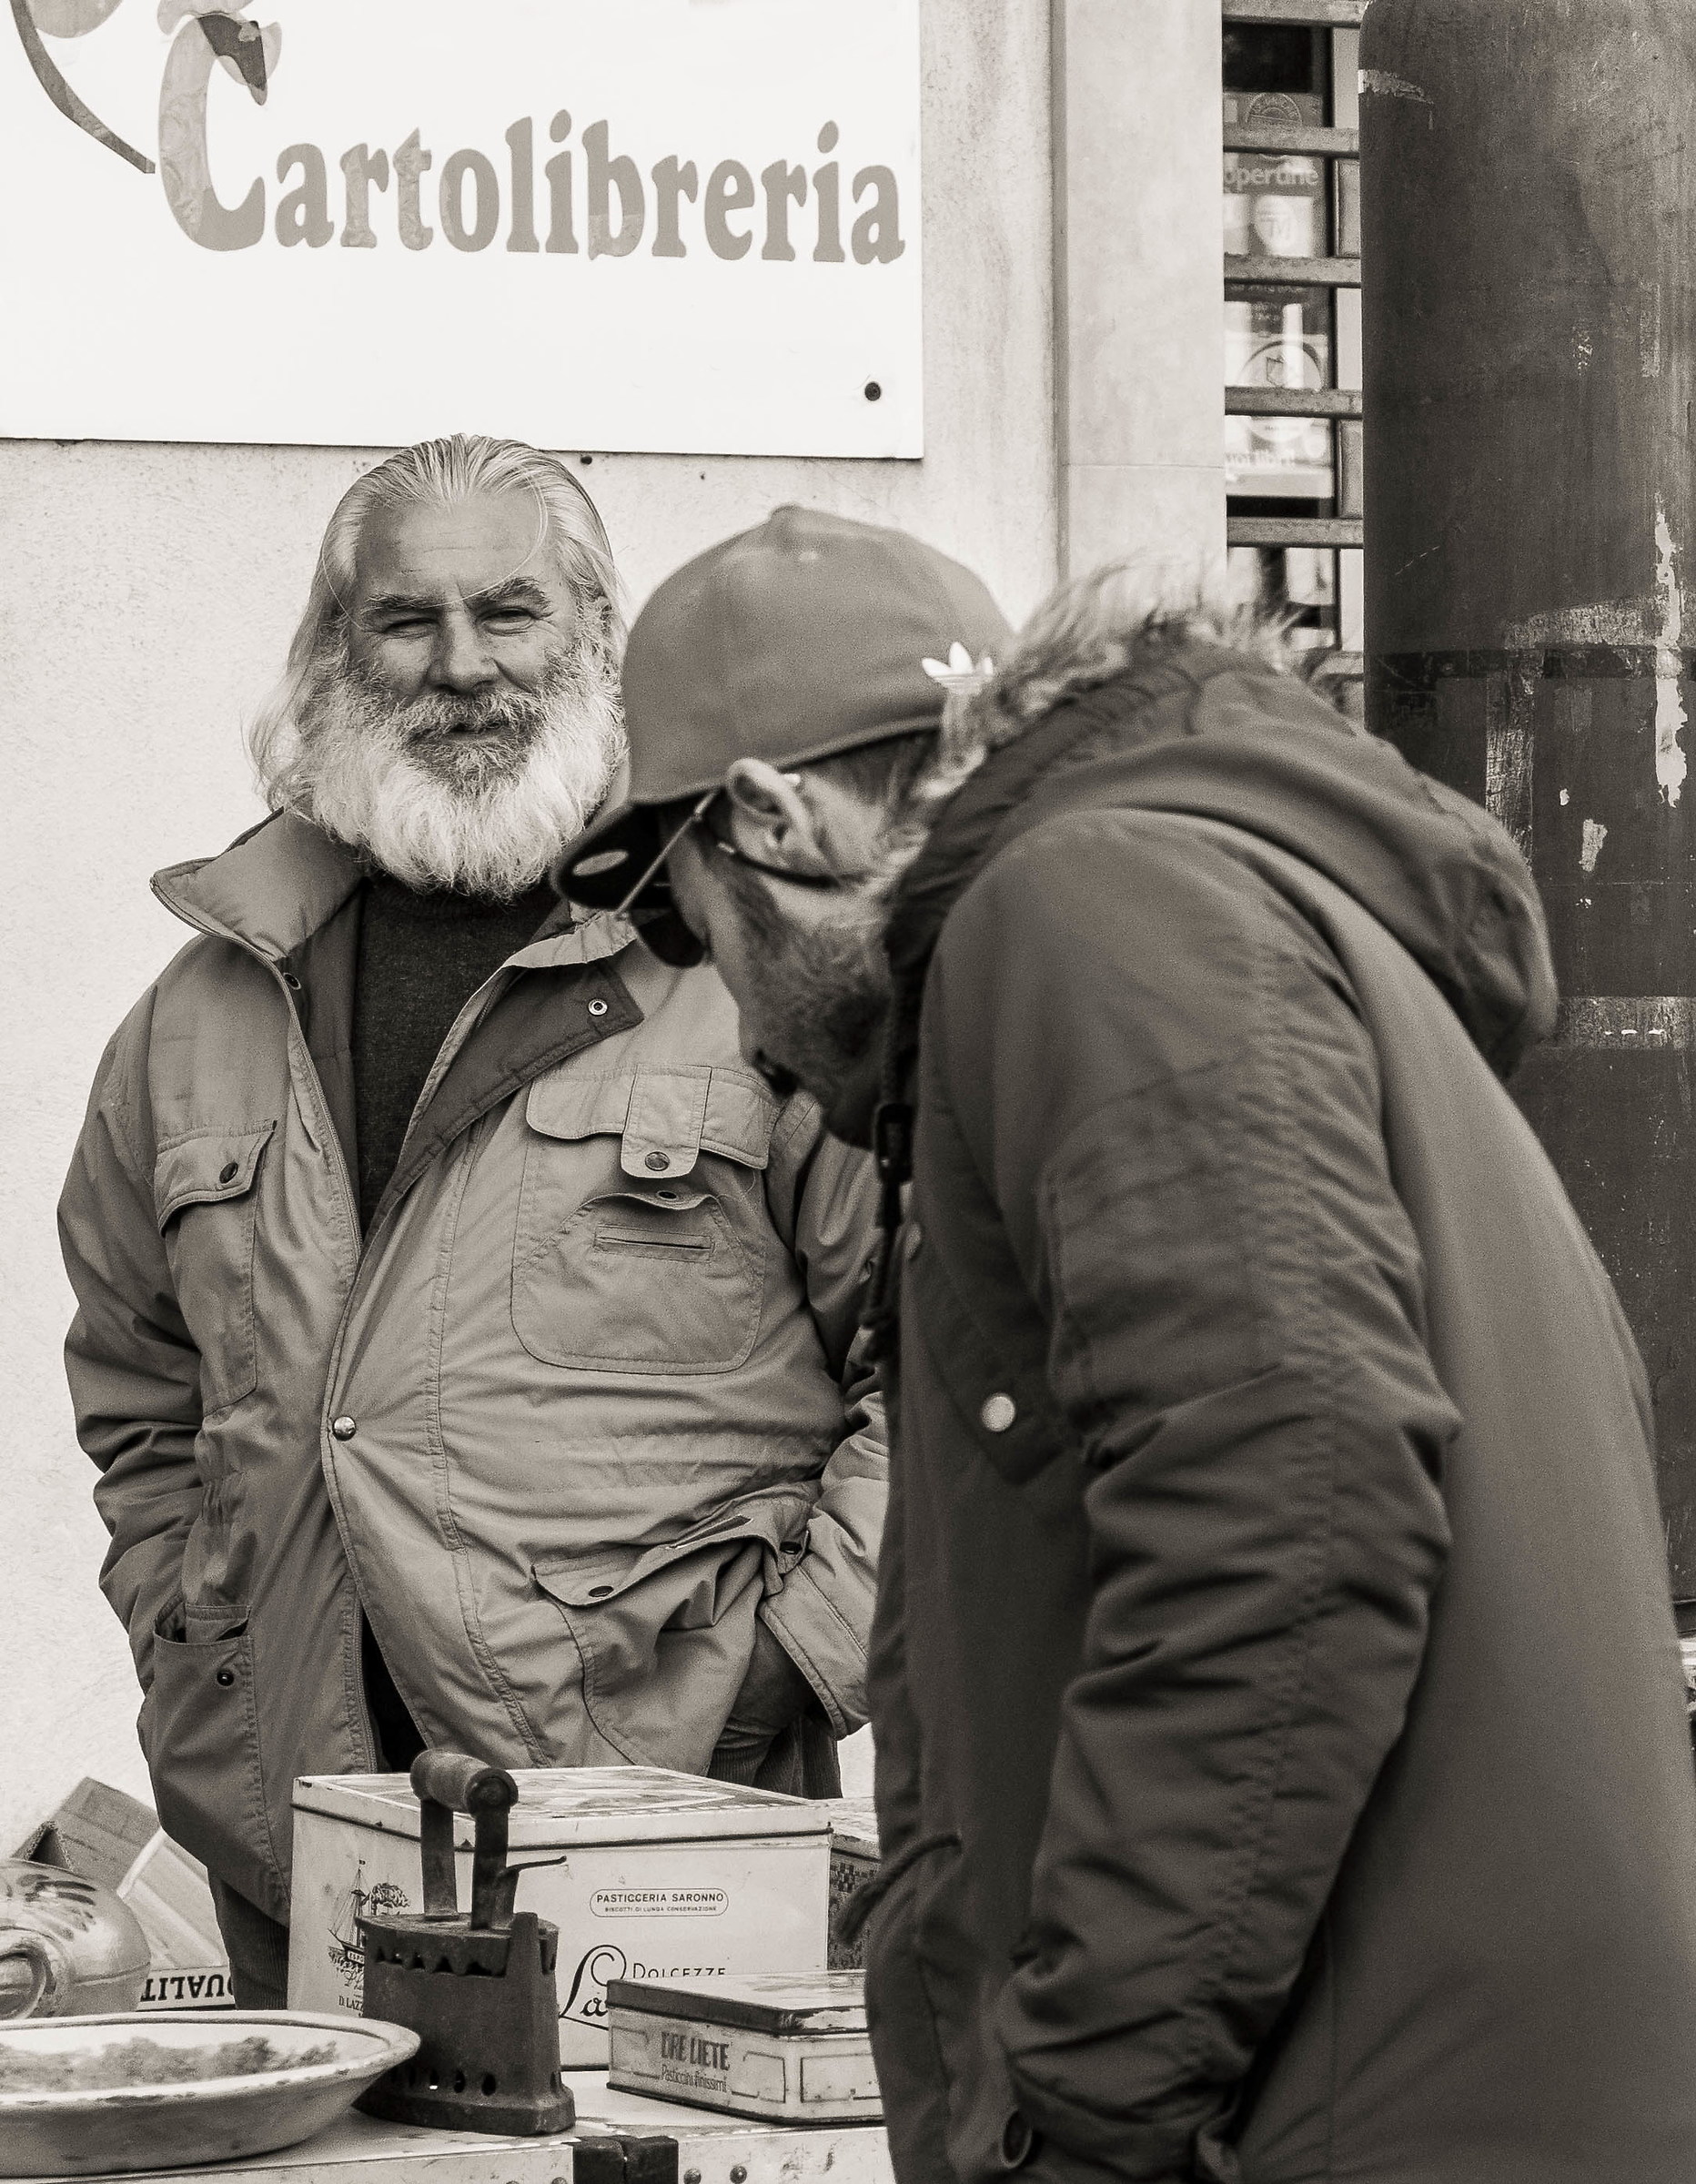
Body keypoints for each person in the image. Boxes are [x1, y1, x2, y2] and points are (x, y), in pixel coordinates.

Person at [557, 506, 1696, 2184]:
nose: (720, 1002)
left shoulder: (1082, 911)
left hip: (1349, 2117)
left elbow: (1284, 1519)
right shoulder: (1163, 905)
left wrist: (1076, 2110)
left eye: (686, 926)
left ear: (766, 818)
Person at [58, 441, 886, 2009]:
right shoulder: (196, 1017)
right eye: (405, 621)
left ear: (596, 635)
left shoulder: (741, 966)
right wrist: (191, 1638)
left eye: (510, 613)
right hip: (292, 1843)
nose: (461, 667)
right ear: (331, 655)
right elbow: (139, 1393)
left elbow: (943, 1364)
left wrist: (783, 1667)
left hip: (662, 1835)